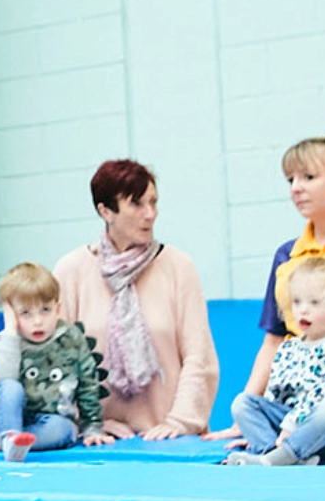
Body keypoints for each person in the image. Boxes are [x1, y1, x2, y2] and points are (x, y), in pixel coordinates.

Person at [52, 159, 219, 439]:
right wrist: (88, 423)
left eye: (153, 202)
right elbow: (56, 361)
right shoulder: (71, 270)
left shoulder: (178, 266)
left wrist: (179, 423)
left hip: (172, 437)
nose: (150, 214)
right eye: (137, 204)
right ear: (105, 211)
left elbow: (198, 356)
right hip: (97, 442)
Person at [232, 125, 325, 414]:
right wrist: (247, 410)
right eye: (290, 179)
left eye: (309, 177)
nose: (296, 188)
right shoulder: (287, 255)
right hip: (298, 399)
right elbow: (273, 339)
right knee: (244, 408)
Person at [0, 263, 112, 461]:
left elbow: (87, 382)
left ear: (57, 309)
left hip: (51, 419)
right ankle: (9, 436)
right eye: (25, 313)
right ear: (10, 313)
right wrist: (10, 329)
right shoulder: (5, 340)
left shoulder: (71, 339)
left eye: (45, 310)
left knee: (65, 430)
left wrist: (92, 426)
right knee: (10, 385)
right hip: (6, 417)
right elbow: (4, 377)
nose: (37, 321)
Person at [224, 257, 325, 465]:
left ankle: (279, 458)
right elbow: (275, 395)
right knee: (243, 403)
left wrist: (291, 425)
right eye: (297, 302)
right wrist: (260, 428)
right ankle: (272, 451)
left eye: (314, 302)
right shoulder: (288, 348)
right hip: (289, 426)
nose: (303, 310)